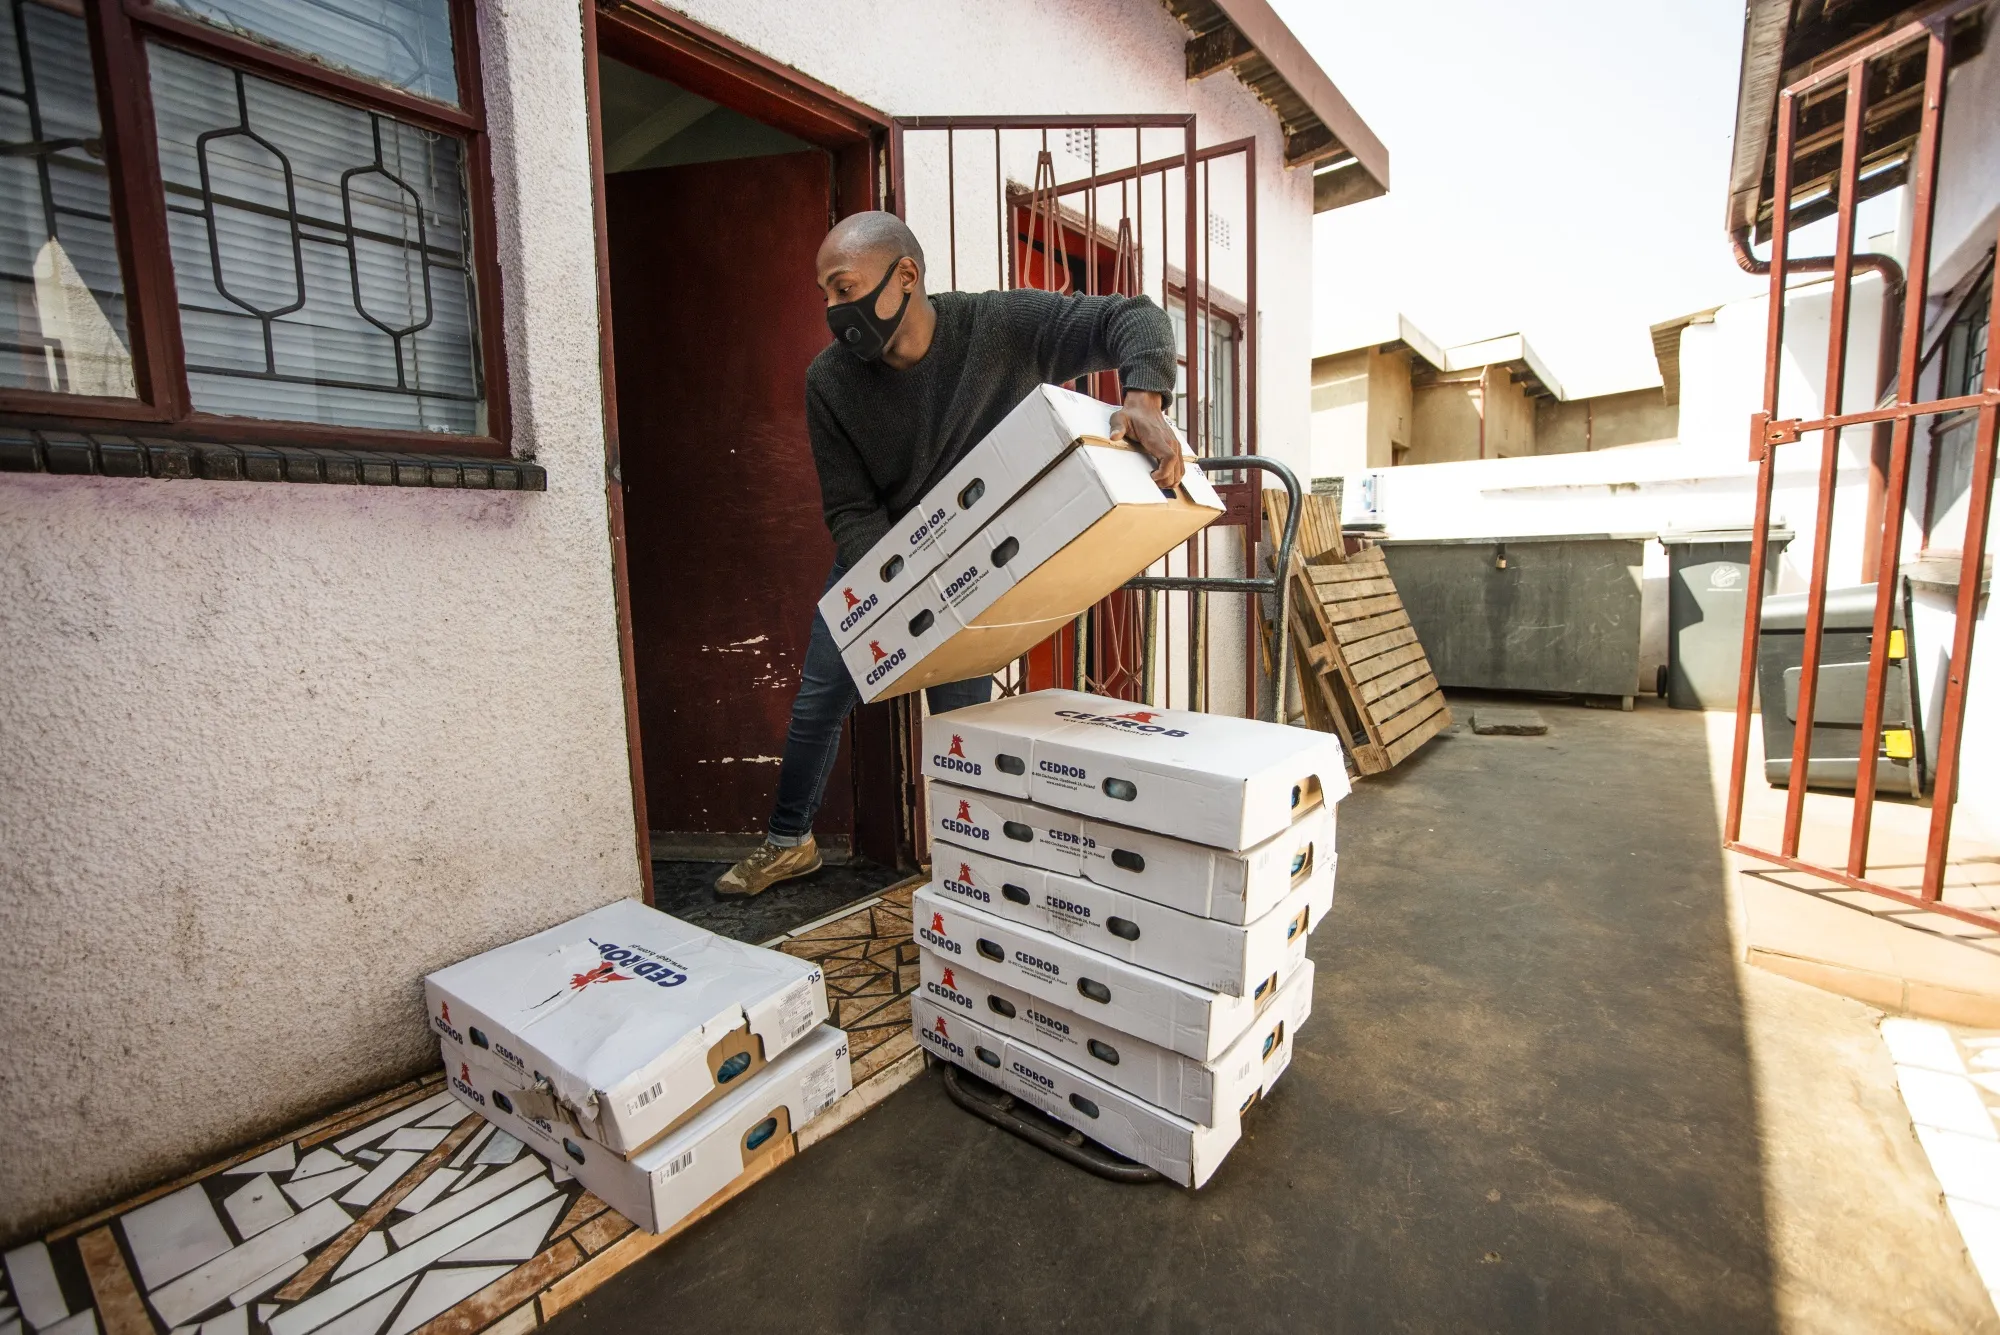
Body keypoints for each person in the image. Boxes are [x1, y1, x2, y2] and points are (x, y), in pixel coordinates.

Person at [715, 211, 1184, 897]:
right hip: (882, 561)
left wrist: (1143, 398)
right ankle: (790, 841)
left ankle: (969, 859)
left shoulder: (999, 326)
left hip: (975, 563)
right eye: (825, 295)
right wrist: (898, 591)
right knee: (819, 699)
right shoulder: (830, 381)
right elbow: (849, 506)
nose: (834, 310)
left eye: (844, 287)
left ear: (905, 275)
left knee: (960, 725)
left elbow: (1135, 317)